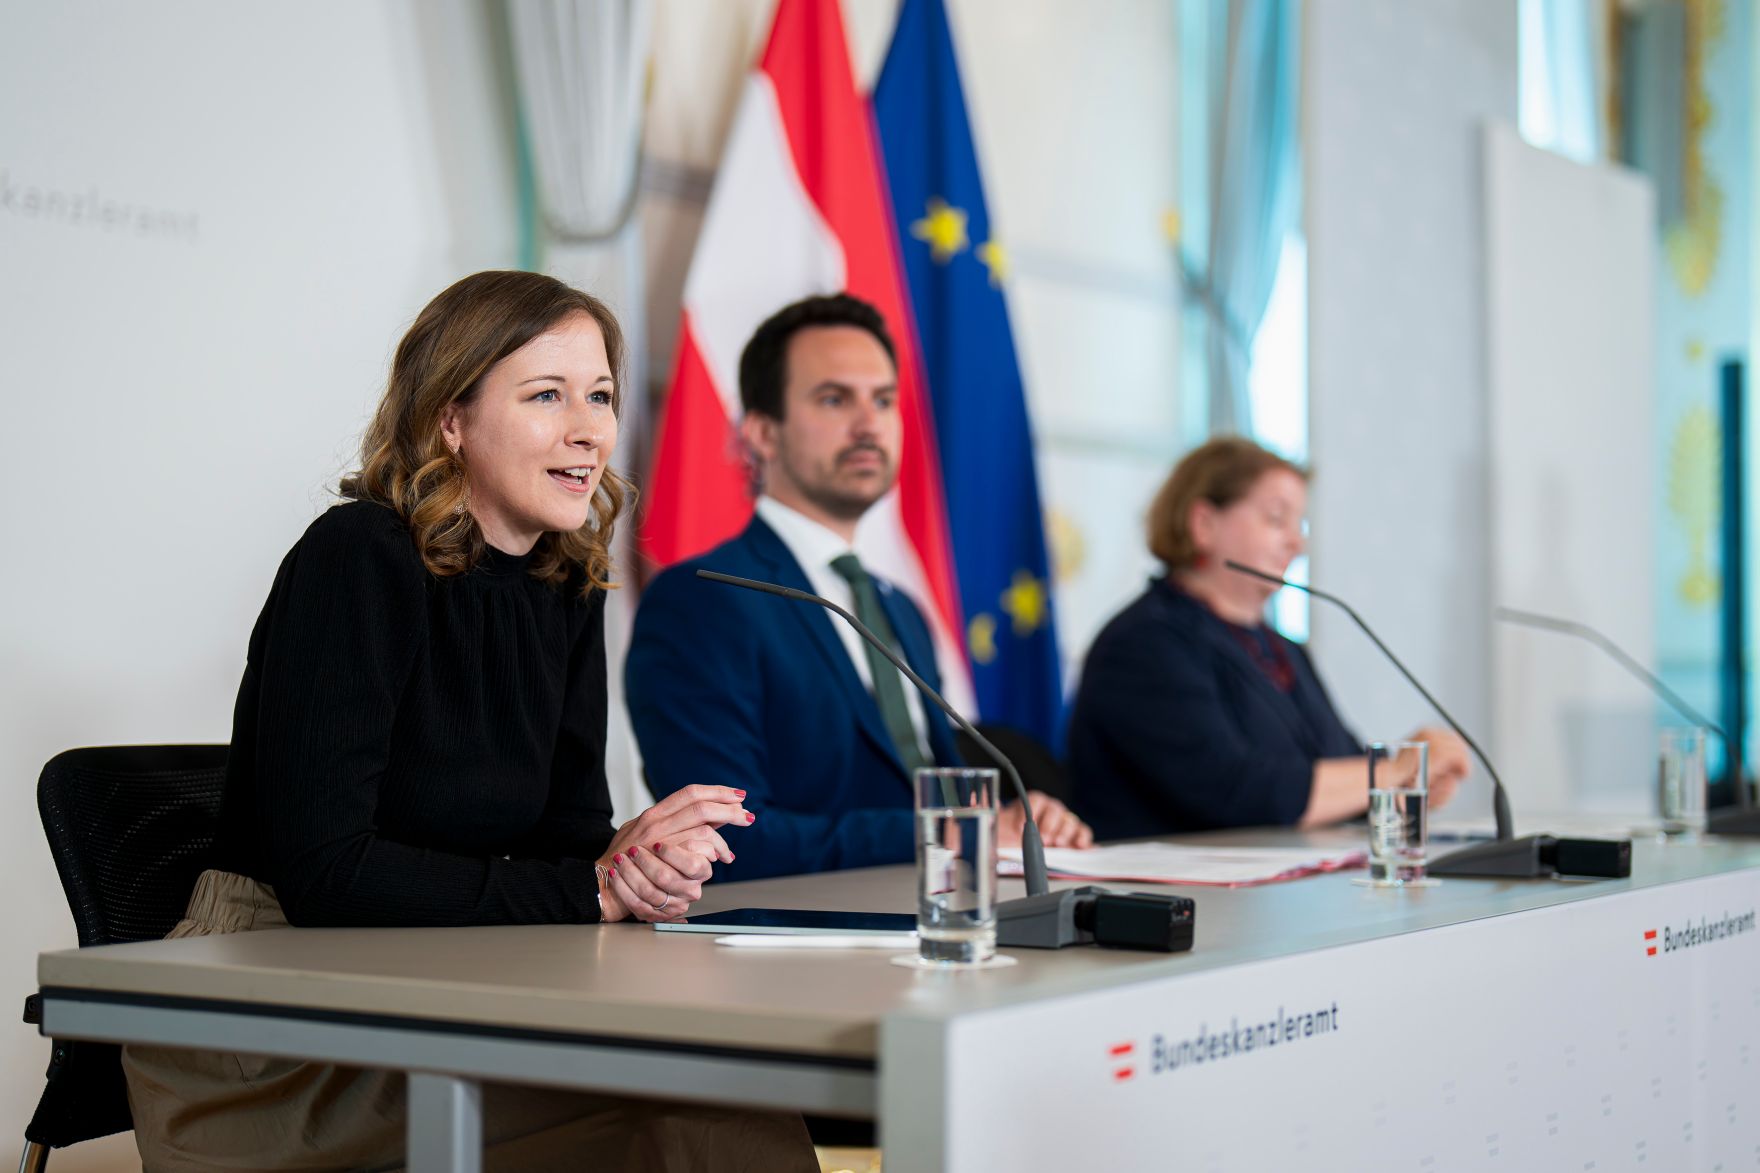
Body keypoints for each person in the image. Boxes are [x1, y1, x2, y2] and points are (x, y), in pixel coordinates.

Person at [122, 271, 817, 1171]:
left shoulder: (566, 581)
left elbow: (569, 845)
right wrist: (588, 890)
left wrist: (634, 866)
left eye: (599, 395)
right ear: (451, 419)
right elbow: (329, 873)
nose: (589, 429)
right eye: (545, 396)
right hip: (271, 1018)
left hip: (448, 987)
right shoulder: (359, 557)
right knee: (689, 1120)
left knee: (722, 1094)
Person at [626, 293, 1091, 880]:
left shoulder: (902, 610)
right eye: (834, 398)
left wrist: (1013, 819)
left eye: (884, 400)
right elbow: (724, 839)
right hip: (806, 945)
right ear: (763, 434)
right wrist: (946, 832)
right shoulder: (702, 599)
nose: (869, 423)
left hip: (953, 909)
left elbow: (937, 793)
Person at [1065, 436, 1469, 840]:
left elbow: (1341, 762)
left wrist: (1404, 786)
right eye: (1277, 519)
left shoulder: (1281, 649)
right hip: (1175, 896)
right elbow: (1232, 791)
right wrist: (1388, 773)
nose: (1297, 543)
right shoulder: (1143, 643)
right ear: (1204, 524)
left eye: (1300, 524)